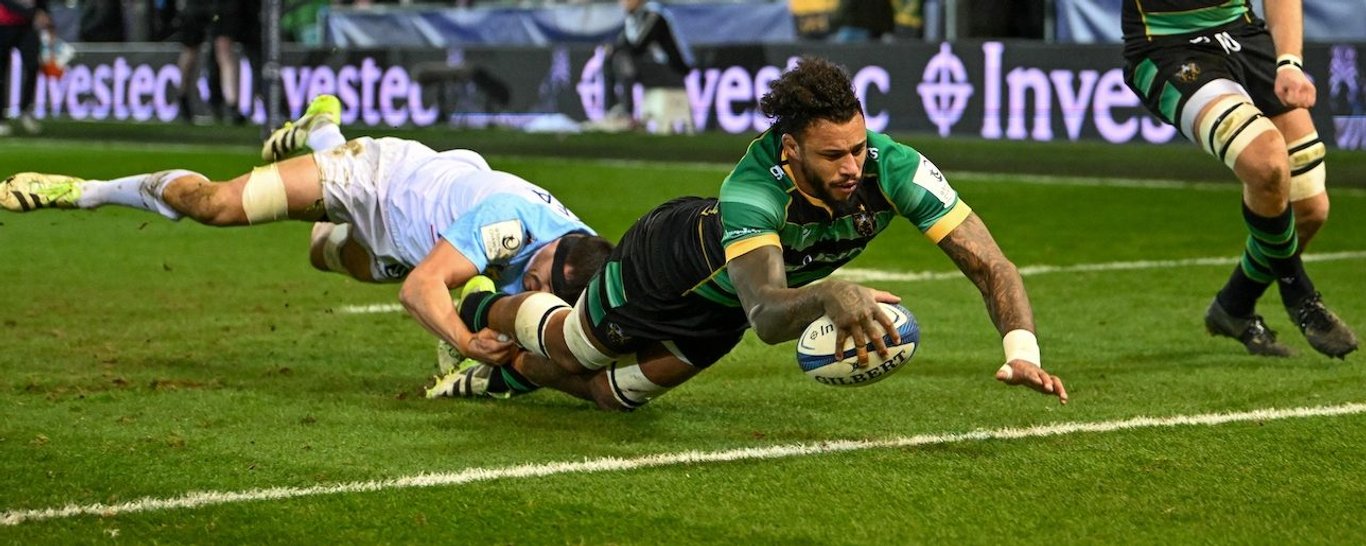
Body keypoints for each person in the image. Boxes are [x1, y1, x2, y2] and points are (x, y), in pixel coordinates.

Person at [433, 58, 1067, 410]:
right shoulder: (753, 190)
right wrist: (829, 293)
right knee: (577, 352)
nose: (852, 167)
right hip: (665, 267)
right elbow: (767, 315)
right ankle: (483, 304)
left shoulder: (891, 166)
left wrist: (1022, 354)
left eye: (857, 147)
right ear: (790, 149)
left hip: (720, 312)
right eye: (832, 156)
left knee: (612, 396)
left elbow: (991, 264)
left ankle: (503, 371)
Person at [0, 95, 613, 365]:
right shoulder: (506, 225)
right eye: (534, 280)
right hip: (376, 180)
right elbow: (422, 291)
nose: (530, 289)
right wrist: (461, 339)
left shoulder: (582, 250)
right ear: (551, 253)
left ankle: (320, 124)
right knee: (212, 204)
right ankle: (81, 192)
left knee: (321, 254)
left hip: (420, 225)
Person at [1121, 0, 1357, 358]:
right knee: (1266, 163)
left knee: (1309, 208)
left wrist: (1289, 63)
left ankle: (1233, 306)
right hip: (1169, 47)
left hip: (1242, 34)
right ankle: (1300, 295)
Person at [601, 0, 694, 127]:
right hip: (653, 70)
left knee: (622, 58)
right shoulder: (633, 18)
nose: (622, 2)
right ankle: (611, 110)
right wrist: (612, 50)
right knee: (609, 58)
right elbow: (624, 44)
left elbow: (638, 47)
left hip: (673, 72)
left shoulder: (654, 15)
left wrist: (616, 49)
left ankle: (627, 114)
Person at [0, 0, 49, 136]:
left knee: (33, 65)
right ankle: (1, 118)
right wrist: (33, 13)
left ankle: (26, 109)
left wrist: (45, 14)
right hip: (3, 25)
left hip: (27, 27)